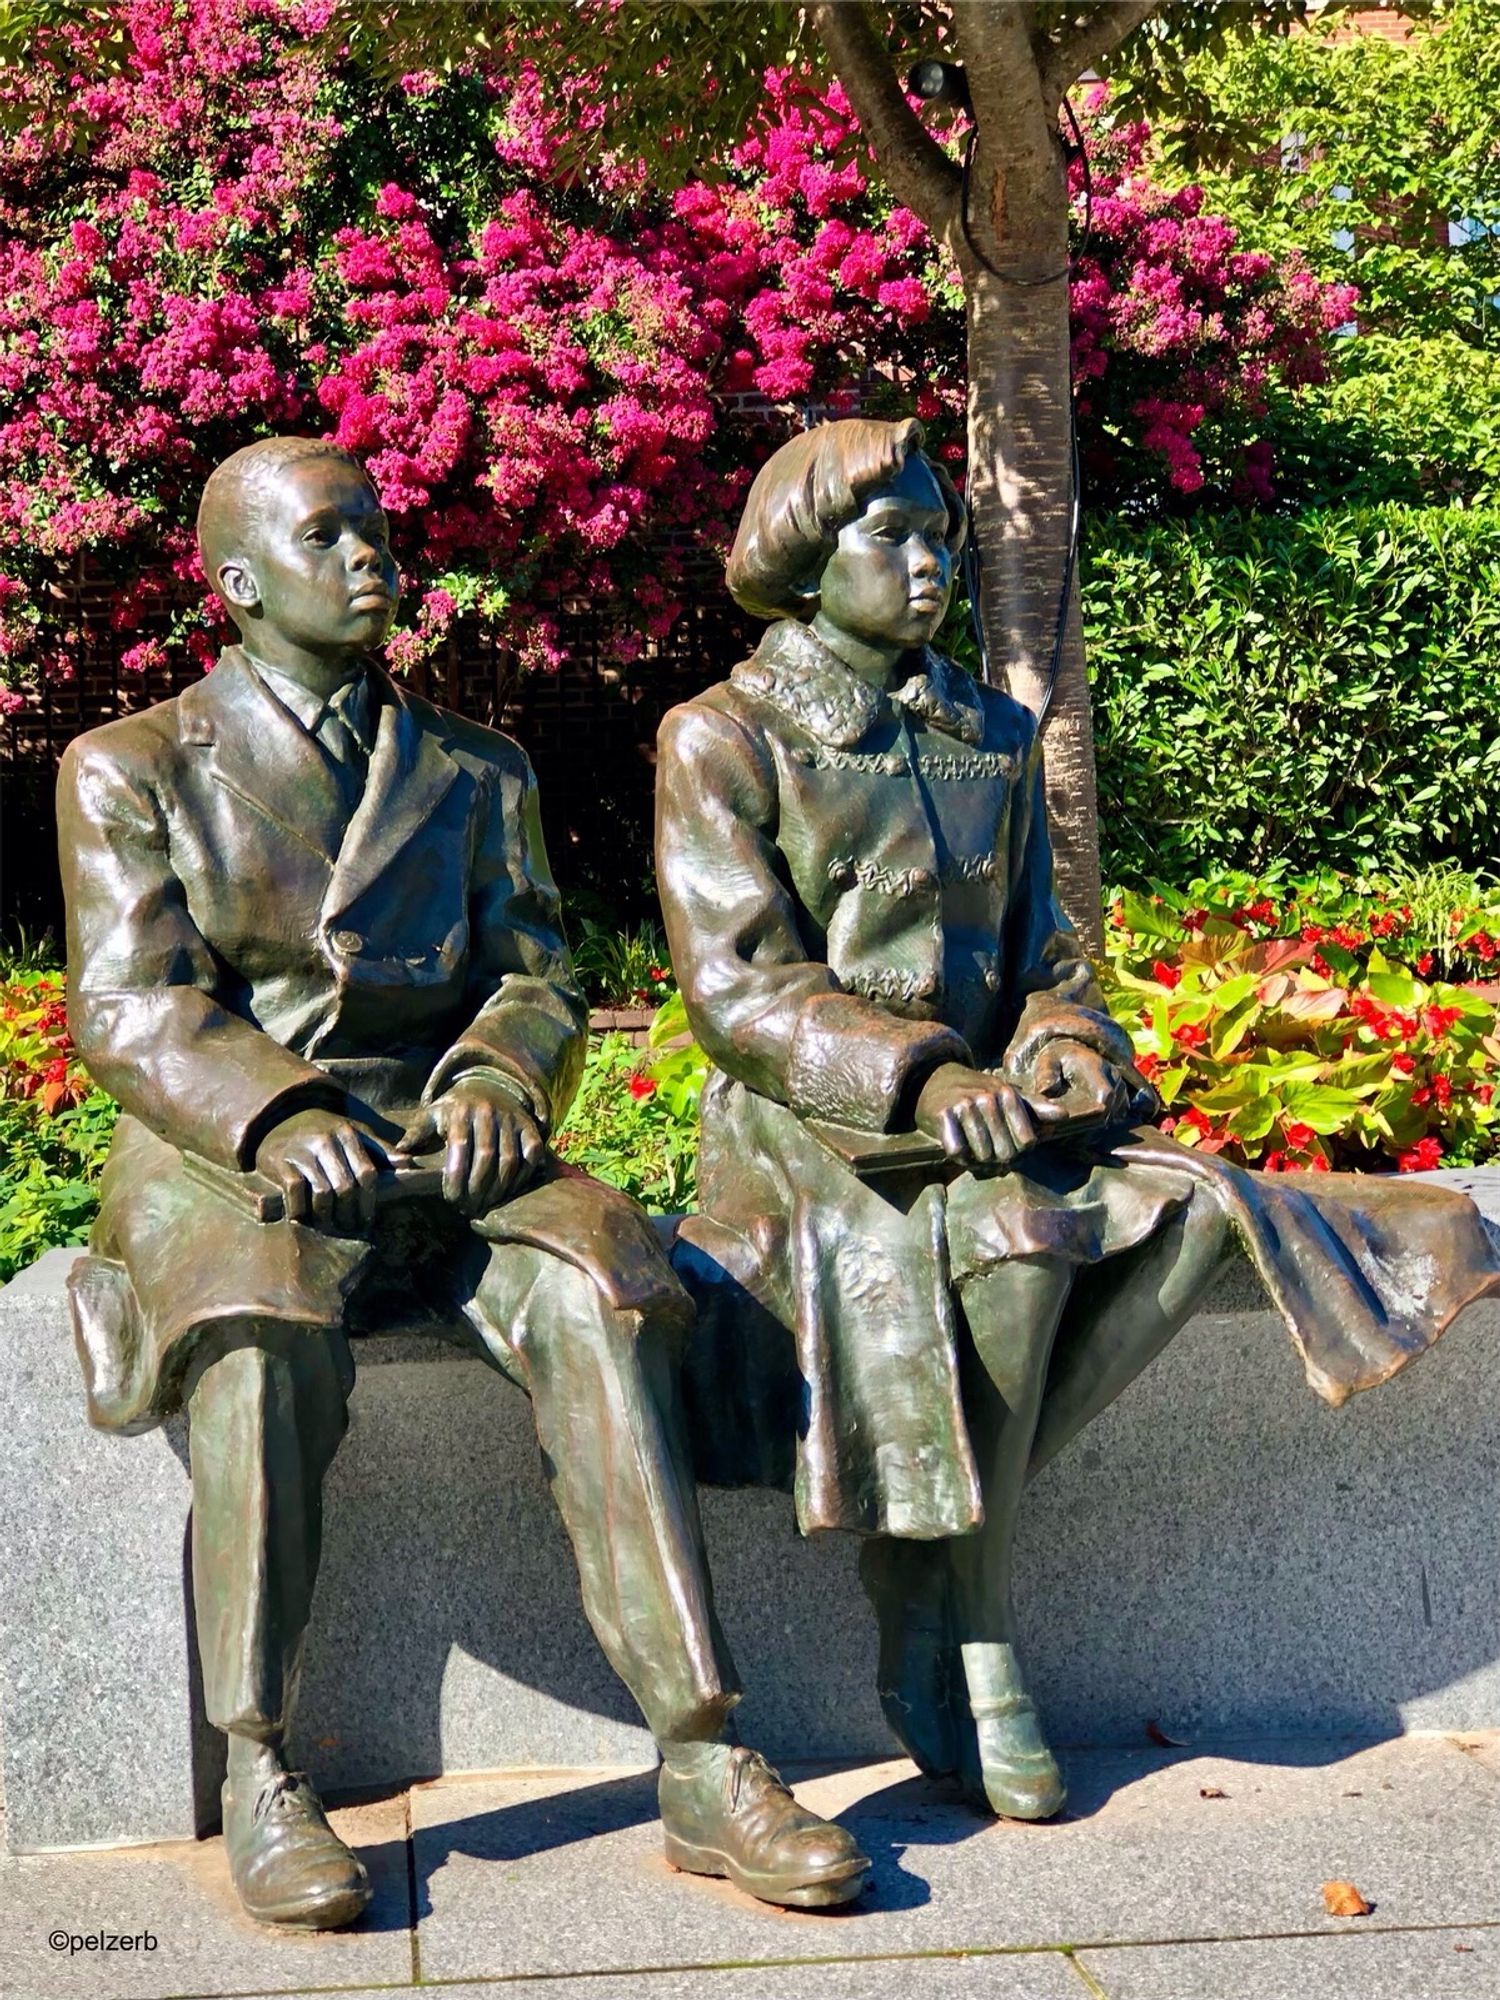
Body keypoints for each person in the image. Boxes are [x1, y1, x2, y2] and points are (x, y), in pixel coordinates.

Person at [57, 436, 871, 1929]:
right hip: (235, 1154)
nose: (372, 556)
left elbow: (542, 968)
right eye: (327, 538)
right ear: (238, 586)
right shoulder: (131, 768)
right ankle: (258, 1759)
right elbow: (132, 1008)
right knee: (258, 1337)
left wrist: (501, 1075)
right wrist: (276, 1112)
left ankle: (701, 1751)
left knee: (603, 1290)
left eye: (376, 530)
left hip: (449, 1147)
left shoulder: (478, 766)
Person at [655, 416, 1500, 1822]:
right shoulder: (724, 737)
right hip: (814, 1129)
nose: (933, 566)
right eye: (894, 538)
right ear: (807, 560)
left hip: (999, 1128)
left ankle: (937, 1579)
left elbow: (1052, 962)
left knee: (1193, 1214)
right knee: (1025, 1240)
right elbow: (741, 989)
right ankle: (976, 1637)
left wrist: (1059, 1052)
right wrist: (924, 1076)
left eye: (944, 537)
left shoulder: (991, 732)